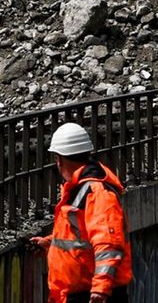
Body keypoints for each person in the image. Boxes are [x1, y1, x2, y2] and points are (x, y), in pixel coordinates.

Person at [30, 122, 134, 303]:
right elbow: (79, 235)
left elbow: (108, 244)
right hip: (78, 294)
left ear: (59, 160)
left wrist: (101, 289)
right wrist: (49, 243)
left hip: (93, 295)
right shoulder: (81, 189)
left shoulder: (96, 192)